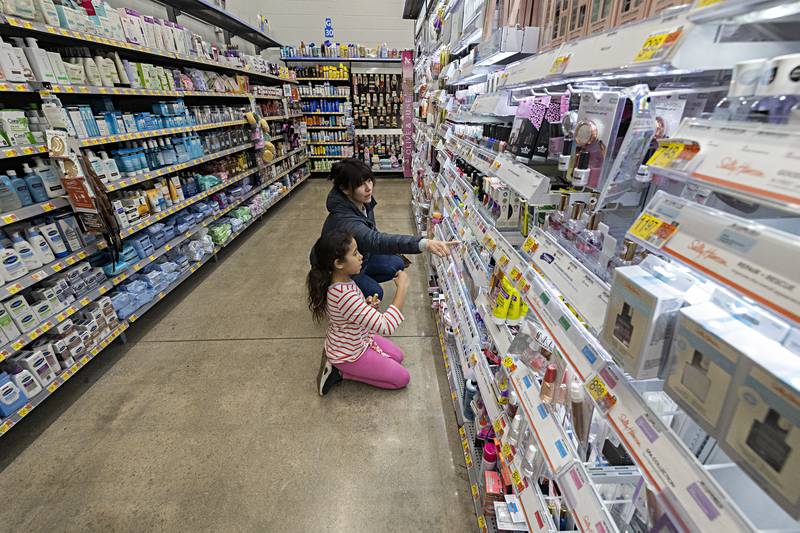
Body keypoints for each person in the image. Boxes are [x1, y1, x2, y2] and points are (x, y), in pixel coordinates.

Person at [319, 158, 455, 299]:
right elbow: (375, 240)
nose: (368, 188)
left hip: (358, 256)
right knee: (375, 293)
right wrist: (423, 243)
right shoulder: (345, 220)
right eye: (360, 184)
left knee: (396, 263)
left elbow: (372, 233)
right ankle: (341, 292)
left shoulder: (361, 201)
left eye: (369, 180)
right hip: (341, 269)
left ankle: (362, 280)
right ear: (345, 189)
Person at [308, 229, 411, 396]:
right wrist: (402, 288)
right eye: (355, 253)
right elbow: (386, 326)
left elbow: (347, 313)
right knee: (402, 378)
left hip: (359, 336)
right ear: (338, 263)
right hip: (349, 353)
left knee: (398, 356)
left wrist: (366, 306)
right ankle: (340, 372)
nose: (361, 256)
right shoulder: (343, 294)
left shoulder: (341, 279)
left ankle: (339, 362)